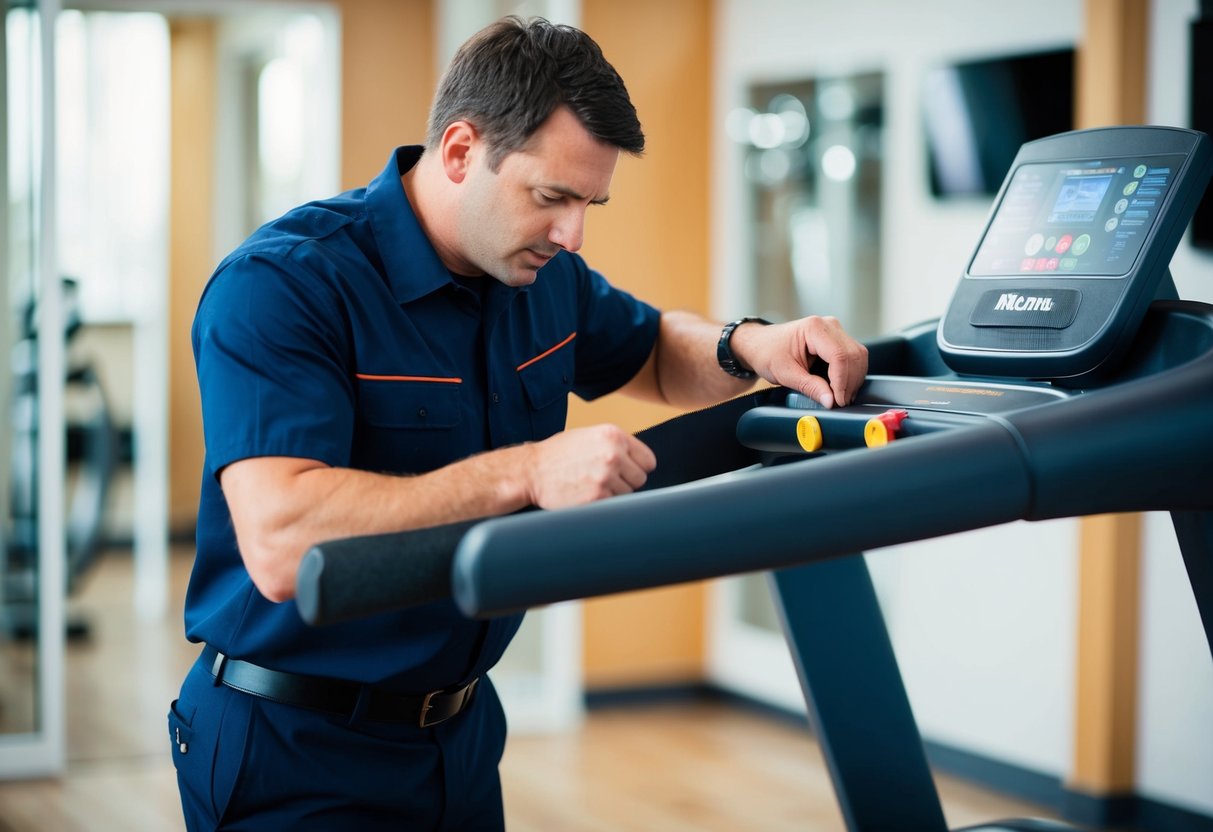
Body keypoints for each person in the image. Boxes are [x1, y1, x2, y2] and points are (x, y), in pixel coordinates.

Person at [169, 15, 868, 832]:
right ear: (461, 151)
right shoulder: (283, 286)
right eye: (552, 197)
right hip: (293, 748)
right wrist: (527, 472)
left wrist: (751, 343)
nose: (573, 234)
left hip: (458, 737)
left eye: (589, 202)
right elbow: (283, 540)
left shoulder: (541, 275)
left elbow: (648, 353)